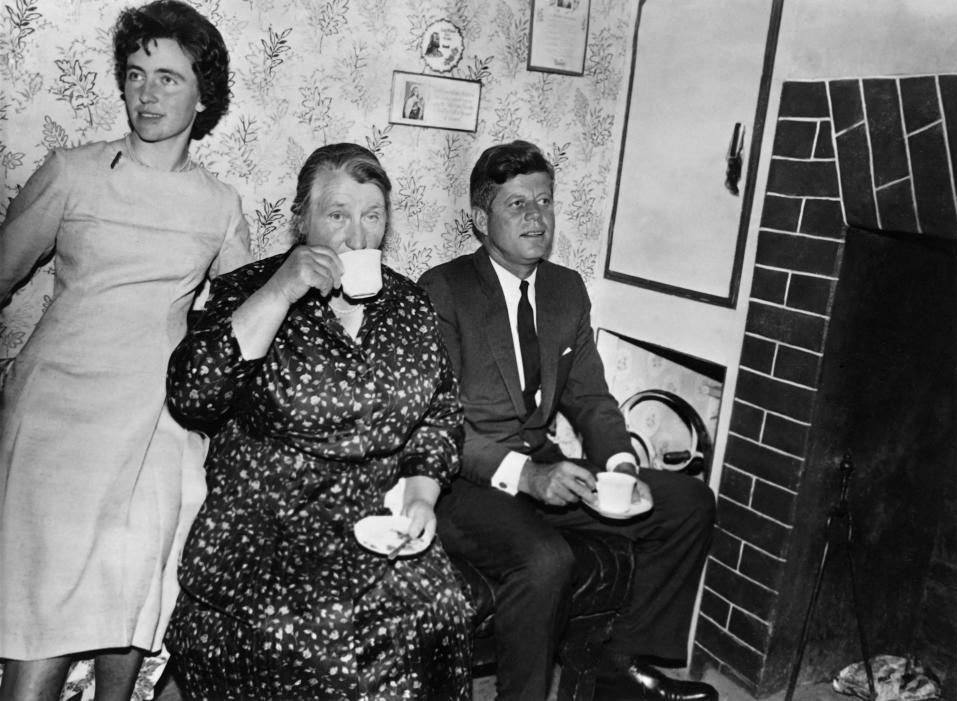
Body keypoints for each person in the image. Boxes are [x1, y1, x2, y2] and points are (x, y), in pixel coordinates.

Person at [0, 2, 250, 700]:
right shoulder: (73, 173)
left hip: (156, 423)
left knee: (136, 594)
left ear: (204, 96)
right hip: (58, 416)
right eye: (136, 74)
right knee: (42, 612)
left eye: (169, 78)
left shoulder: (219, 204)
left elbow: (239, 325)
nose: (147, 92)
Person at [163, 142, 473, 700]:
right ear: (300, 220)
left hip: (376, 526)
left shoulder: (408, 305)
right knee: (321, 643)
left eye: (372, 216)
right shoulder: (247, 291)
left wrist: (423, 496)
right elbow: (193, 395)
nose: (357, 237)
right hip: (266, 532)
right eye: (337, 215)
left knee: (442, 611)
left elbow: (440, 415)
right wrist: (281, 291)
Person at [417, 140, 719, 701]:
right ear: (481, 219)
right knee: (545, 558)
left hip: (546, 466)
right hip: (464, 483)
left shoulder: (566, 290)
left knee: (687, 503)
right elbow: (437, 425)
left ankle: (619, 668)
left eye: (545, 201)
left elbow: (591, 398)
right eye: (517, 205)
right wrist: (527, 477)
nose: (537, 217)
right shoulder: (445, 290)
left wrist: (621, 465)